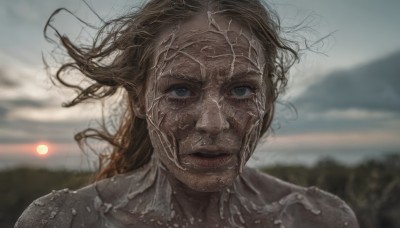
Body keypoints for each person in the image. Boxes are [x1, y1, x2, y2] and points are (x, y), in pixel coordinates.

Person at [16, 0, 358, 227]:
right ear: (139, 98)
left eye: (242, 89)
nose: (213, 123)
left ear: (268, 97)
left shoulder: (318, 219)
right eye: (180, 90)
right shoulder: (63, 220)